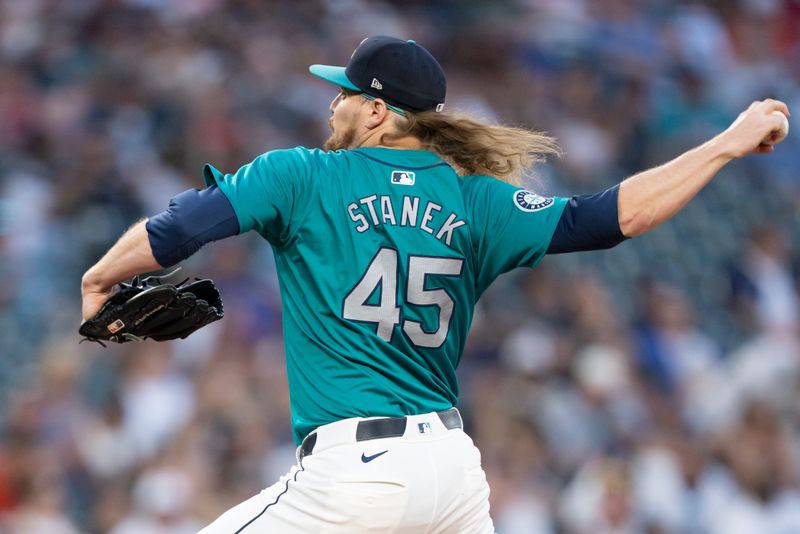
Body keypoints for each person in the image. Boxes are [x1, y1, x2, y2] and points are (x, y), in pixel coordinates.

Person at [80, 36, 790, 533]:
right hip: (451, 473)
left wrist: (101, 275)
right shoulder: (477, 199)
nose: (332, 105)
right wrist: (726, 143)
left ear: (379, 111)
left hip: (355, 476)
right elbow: (607, 219)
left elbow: (176, 229)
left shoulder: (300, 174)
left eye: (345, 94)